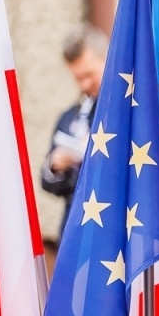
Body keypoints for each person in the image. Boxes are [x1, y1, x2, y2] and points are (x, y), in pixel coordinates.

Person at [40, 25, 107, 232]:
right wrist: (56, 165)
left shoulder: (136, 112)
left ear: (107, 60)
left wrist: (93, 153)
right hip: (76, 228)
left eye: (89, 74)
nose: (85, 85)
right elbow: (47, 182)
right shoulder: (70, 116)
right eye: (78, 78)